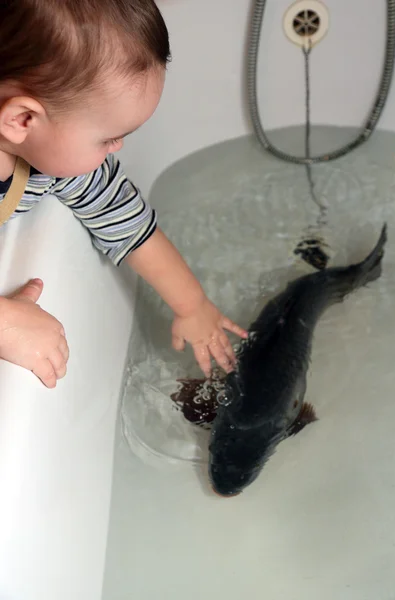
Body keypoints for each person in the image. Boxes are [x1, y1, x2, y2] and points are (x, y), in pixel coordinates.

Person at [0, 0, 247, 389]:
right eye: (108, 138)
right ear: (22, 120)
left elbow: (126, 219)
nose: (117, 149)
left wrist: (192, 304)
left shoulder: (51, 161)